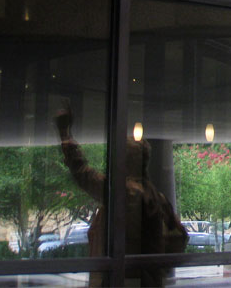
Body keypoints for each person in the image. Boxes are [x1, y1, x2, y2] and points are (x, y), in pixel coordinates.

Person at [55, 103, 188, 286]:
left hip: (124, 280)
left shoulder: (124, 193)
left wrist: (65, 134)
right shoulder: (157, 197)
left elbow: (82, 172)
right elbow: (179, 237)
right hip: (147, 280)